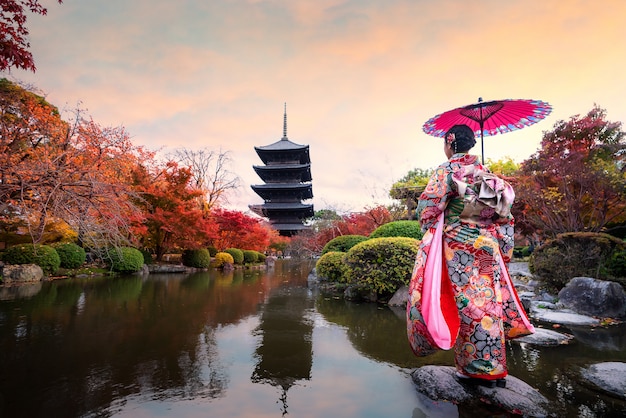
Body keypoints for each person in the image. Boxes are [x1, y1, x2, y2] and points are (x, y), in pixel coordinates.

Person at [406, 124, 534, 388]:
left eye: (445, 143)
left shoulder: (448, 170)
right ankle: (495, 368)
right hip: (487, 246)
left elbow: (428, 208)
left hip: (460, 247)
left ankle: (473, 368)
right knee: (489, 303)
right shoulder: (487, 174)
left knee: (468, 304)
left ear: (450, 143)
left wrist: (433, 224)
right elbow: (504, 215)